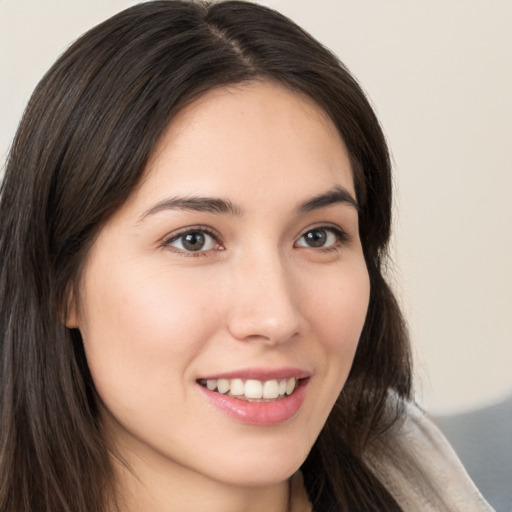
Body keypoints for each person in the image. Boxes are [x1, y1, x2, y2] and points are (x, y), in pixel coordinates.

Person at [0, 1, 494, 511]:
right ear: (60, 278)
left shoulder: (407, 463)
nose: (277, 317)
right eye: (193, 239)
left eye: (319, 236)